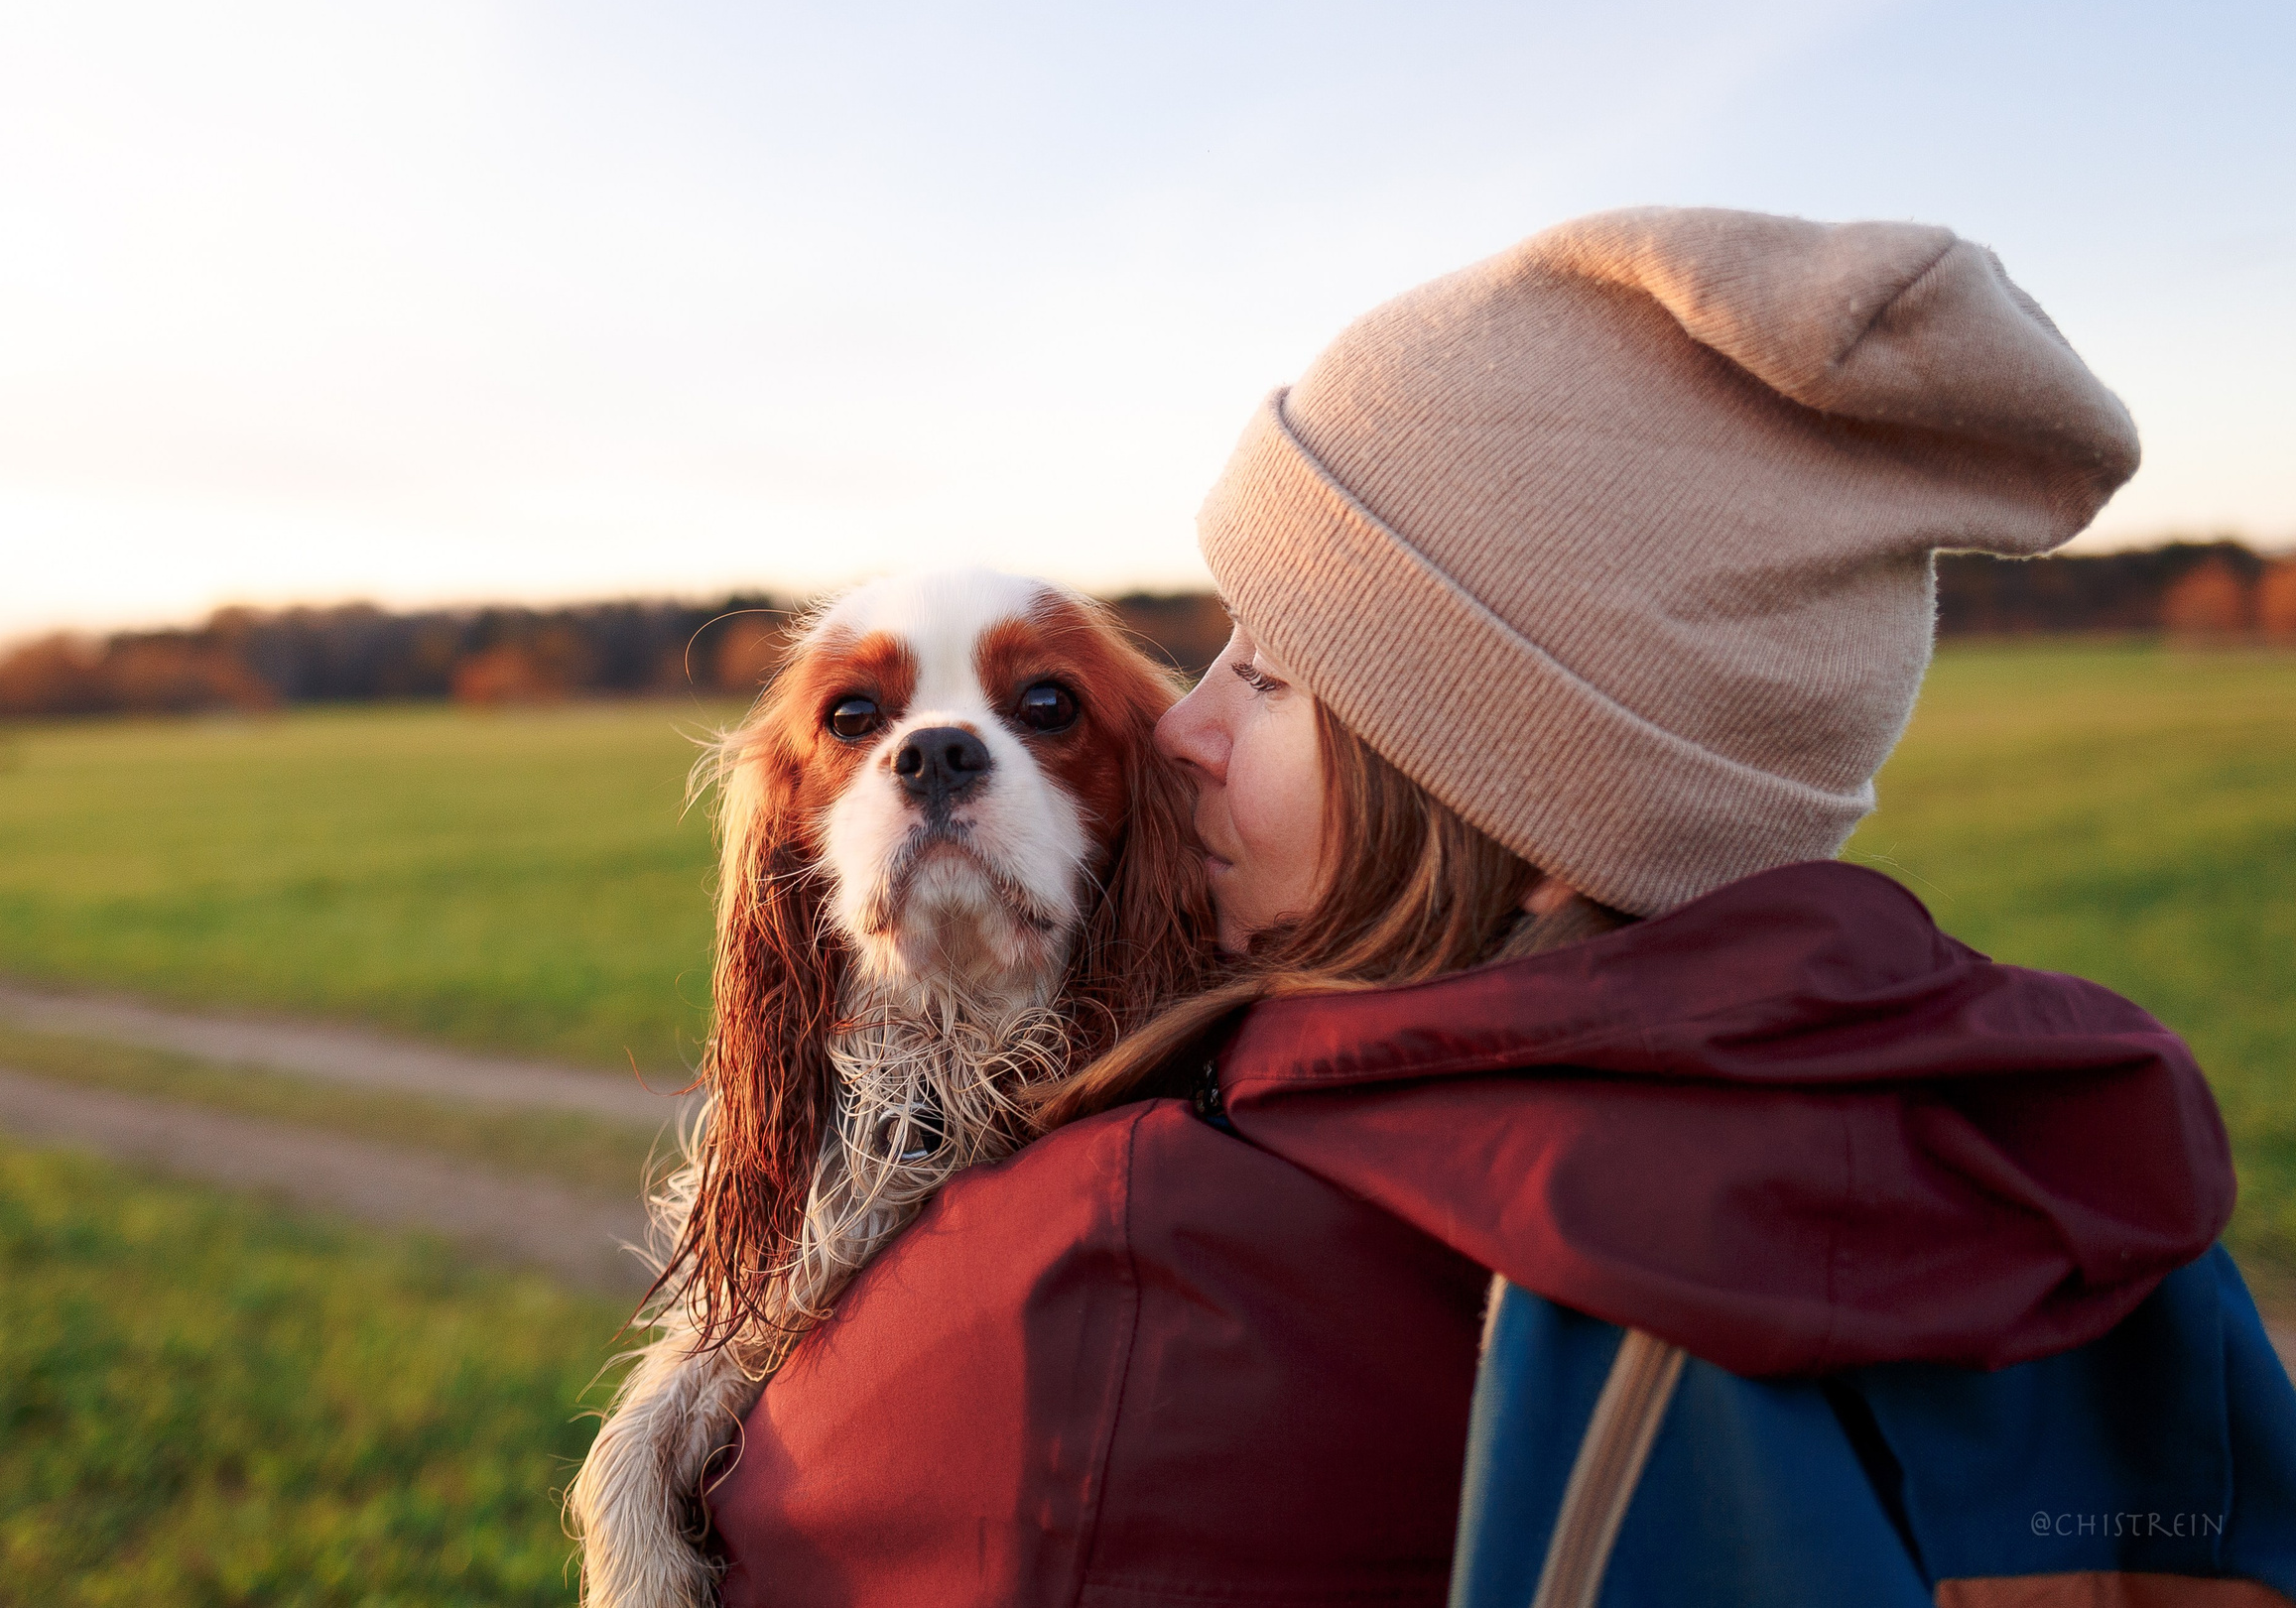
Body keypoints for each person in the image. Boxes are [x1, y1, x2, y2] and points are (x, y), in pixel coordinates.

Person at [701, 207, 2296, 1605]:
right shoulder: (2067, 1164)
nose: (1181, 727)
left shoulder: (1131, 1255)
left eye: (1264, 673)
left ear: (1531, 807)